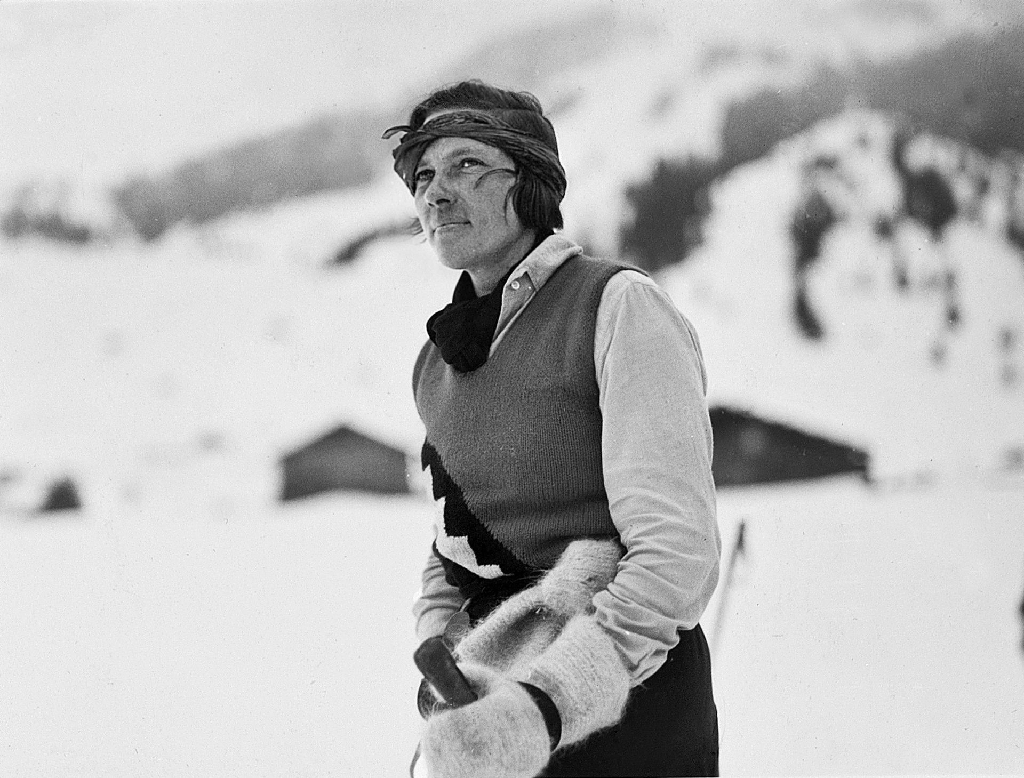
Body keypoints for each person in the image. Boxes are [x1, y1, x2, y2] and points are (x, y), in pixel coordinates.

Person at [384, 80, 721, 778]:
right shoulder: (434, 362)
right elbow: (452, 551)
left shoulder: (618, 307)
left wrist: (546, 703)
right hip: (492, 716)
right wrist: (448, 669)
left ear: (531, 184)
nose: (436, 193)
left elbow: (674, 554)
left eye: (466, 165)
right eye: (422, 176)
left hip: (629, 716)